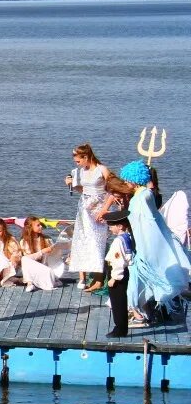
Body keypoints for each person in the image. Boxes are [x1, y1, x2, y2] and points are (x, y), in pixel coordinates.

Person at [118, 160, 191, 321]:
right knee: (145, 281)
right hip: (143, 240)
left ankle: (142, 313)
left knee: (143, 279)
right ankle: (149, 312)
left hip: (145, 244)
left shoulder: (142, 197)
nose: (125, 182)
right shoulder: (143, 194)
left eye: (126, 179)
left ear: (133, 179)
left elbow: (148, 222)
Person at [65, 143, 112, 292]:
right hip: (84, 207)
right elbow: (83, 189)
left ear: (86, 157)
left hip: (98, 208)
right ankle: (85, 276)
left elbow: (113, 190)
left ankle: (99, 278)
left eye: (78, 161)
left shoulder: (101, 169)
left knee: (97, 242)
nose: (77, 164)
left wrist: (105, 209)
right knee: (82, 240)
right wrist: (72, 184)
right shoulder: (81, 171)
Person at [103, 210, 135, 338]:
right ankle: (121, 327)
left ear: (120, 226)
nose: (110, 228)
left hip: (117, 274)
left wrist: (114, 278)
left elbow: (118, 261)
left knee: (118, 302)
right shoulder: (127, 237)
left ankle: (120, 328)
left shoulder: (118, 241)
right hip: (124, 272)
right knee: (120, 301)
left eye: (111, 226)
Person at [19, 217, 65, 292]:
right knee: (24, 259)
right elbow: (28, 260)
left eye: (40, 225)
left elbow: (56, 256)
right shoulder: (24, 241)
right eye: (38, 225)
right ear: (30, 228)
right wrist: (42, 252)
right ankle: (30, 283)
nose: (41, 227)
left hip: (46, 268)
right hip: (33, 270)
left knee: (25, 259)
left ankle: (47, 280)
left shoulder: (47, 239)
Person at [0, 218, 22, 289]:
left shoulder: (10, 239)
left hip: (7, 265)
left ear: (4, 230)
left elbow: (17, 252)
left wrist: (13, 257)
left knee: (0, 257)